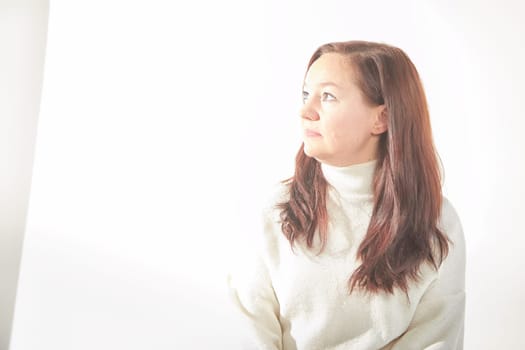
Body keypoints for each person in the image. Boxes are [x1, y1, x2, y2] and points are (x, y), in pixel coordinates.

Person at [228, 40, 465, 350]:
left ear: (381, 118)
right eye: (305, 94)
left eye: (327, 96)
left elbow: (436, 338)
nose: (305, 111)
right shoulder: (278, 208)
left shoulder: (436, 222)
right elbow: (249, 322)